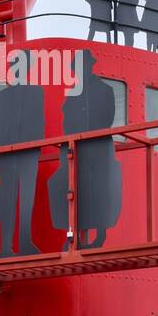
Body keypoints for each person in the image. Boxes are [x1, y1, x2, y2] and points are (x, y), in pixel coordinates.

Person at [48, 52, 123, 249]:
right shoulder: (78, 91)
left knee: (98, 189)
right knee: (71, 187)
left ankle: (99, 235)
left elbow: (106, 118)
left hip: (95, 145)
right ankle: (74, 233)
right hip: (78, 146)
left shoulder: (101, 89)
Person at [0, 61, 45, 257]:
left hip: (16, 156)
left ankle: (10, 245)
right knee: (21, 200)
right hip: (22, 156)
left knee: (17, 200)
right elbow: (38, 126)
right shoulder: (34, 93)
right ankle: (16, 244)